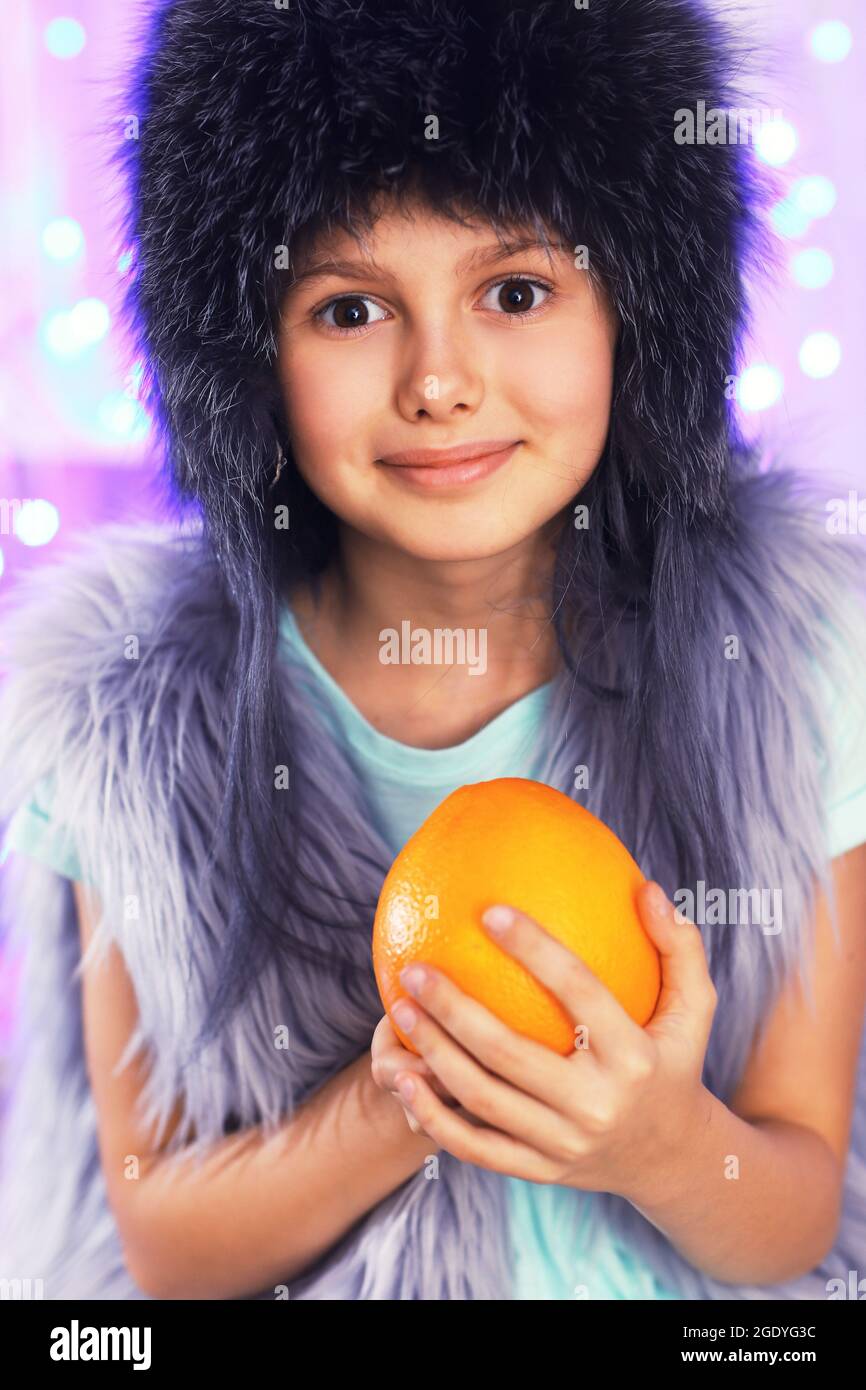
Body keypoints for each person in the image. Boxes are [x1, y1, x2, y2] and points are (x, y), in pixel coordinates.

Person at [1, 0, 865, 1301]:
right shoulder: (128, 716)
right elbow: (165, 1245)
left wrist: (665, 1142)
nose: (439, 380)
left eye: (516, 291)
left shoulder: (794, 665)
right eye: (349, 310)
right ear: (245, 357)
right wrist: (411, 1091)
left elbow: (794, 1213)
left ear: (633, 312)